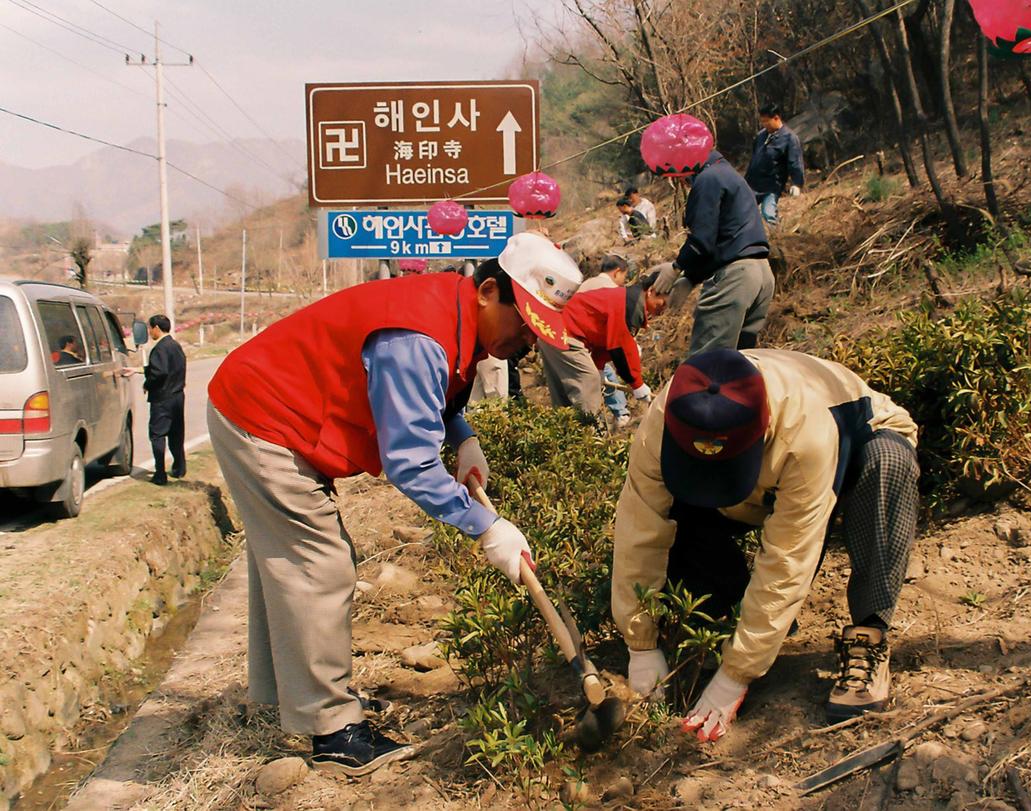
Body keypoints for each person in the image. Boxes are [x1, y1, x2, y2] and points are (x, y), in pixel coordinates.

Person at [206, 233, 581, 776]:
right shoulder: (417, 336)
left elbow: (434, 396)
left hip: (279, 409)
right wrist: (487, 527)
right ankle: (333, 731)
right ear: (488, 291)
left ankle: (297, 697)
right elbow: (410, 463)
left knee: (291, 565)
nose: (527, 339)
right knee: (319, 566)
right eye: (524, 323)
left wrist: (463, 437)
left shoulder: (454, 310)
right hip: (265, 416)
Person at [611, 348, 919, 741]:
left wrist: (737, 673)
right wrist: (640, 643)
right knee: (676, 513)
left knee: (887, 462)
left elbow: (789, 558)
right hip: (759, 474)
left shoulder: (806, 435)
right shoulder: (668, 414)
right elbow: (640, 526)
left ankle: (868, 637)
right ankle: (729, 616)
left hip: (853, 445)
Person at [651, 150, 774, 356]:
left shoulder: (708, 179)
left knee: (707, 362)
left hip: (736, 277)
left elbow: (702, 241)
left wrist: (676, 267)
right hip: (762, 274)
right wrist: (691, 278)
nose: (681, 181)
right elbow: (723, 238)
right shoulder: (730, 175)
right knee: (742, 360)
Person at [539, 271, 668, 421]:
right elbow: (622, 348)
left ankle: (564, 430)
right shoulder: (629, 305)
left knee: (564, 397)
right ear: (651, 291)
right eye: (663, 303)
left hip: (554, 331)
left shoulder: (629, 301)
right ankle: (588, 430)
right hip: (564, 334)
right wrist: (637, 384)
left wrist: (599, 366)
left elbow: (604, 339)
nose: (663, 309)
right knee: (589, 381)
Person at [579, 255, 632, 426]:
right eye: (624, 276)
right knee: (604, 374)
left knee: (603, 373)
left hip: (578, 340)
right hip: (586, 343)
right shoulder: (611, 289)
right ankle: (619, 415)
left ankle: (609, 417)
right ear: (617, 272)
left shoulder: (587, 283)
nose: (623, 282)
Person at [744, 103, 806, 226]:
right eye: (762, 121)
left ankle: (777, 236)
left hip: (771, 187)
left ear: (776, 118)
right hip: (752, 185)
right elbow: (754, 159)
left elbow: (795, 162)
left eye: (766, 121)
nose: (764, 124)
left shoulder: (790, 138)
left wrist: (797, 184)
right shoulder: (760, 136)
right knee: (742, 213)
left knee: (769, 214)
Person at [143, 315, 187, 485]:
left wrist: (148, 384)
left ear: (156, 328)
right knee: (176, 433)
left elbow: (159, 372)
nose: (149, 332)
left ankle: (160, 473)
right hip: (177, 396)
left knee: (157, 435)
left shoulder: (160, 348)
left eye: (150, 328)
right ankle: (179, 467)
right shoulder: (175, 346)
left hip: (162, 398)